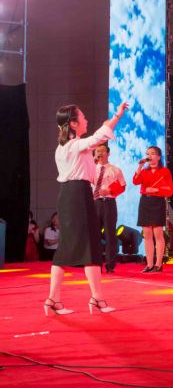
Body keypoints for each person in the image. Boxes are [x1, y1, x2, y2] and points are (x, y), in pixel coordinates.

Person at [45, 102, 127, 316]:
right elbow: (98, 137)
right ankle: (92, 299)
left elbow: (98, 136)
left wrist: (112, 120)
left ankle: (58, 299)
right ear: (73, 124)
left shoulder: (67, 146)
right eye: (82, 117)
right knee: (86, 246)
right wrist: (117, 116)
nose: (86, 120)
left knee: (75, 247)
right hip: (77, 195)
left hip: (72, 195)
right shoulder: (74, 145)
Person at [133, 145, 173, 272]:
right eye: (147, 154)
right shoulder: (144, 171)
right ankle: (149, 264)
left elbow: (170, 190)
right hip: (145, 202)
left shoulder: (164, 171)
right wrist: (139, 166)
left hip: (158, 202)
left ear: (159, 157)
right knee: (147, 235)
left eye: (152, 153)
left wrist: (156, 190)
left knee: (158, 234)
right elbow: (135, 181)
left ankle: (158, 264)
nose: (149, 156)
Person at [91, 143, 126, 273]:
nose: (99, 153)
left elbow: (122, 186)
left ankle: (110, 265)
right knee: (94, 234)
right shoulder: (90, 169)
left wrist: (109, 191)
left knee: (110, 234)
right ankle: (96, 264)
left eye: (102, 151)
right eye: (97, 151)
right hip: (94, 203)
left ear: (108, 153)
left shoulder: (115, 170)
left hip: (109, 203)